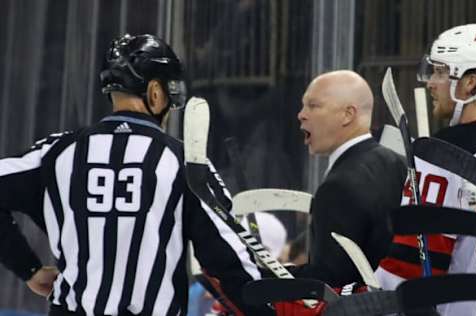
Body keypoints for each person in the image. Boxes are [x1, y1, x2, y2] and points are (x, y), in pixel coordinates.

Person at [0, 33, 274, 316]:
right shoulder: (184, 161)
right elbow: (228, 258)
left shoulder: (57, 152)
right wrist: (266, 309)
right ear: (156, 92)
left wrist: (27, 267)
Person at [376, 24, 476, 316]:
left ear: (470, 83)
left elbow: (409, 265)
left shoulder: (441, 155)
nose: (431, 82)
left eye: (440, 72)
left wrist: (365, 301)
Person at [291, 70, 407, 286]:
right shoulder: (401, 164)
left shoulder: (338, 187)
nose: (302, 114)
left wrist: (269, 275)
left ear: (348, 114)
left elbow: (329, 283)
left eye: (313, 105)